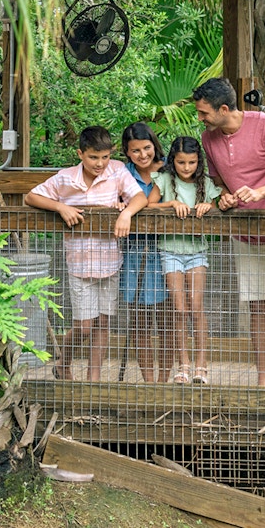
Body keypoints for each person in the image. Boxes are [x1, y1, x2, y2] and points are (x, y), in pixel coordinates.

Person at [24, 126, 147, 382]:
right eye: (93, 157)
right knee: (84, 325)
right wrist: (60, 207)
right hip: (79, 263)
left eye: (104, 157)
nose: (99, 163)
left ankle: (94, 379)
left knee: (103, 322)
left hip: (110, 261)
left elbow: (139, 198)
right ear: (81, 154)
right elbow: (31, 196)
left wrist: (125, 213)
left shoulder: (117, 171)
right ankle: (63, 362)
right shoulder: (65, 178)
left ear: (111, 153)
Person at [193, 77, 265, 387]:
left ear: (224, 109)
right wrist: (223, 194)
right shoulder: (208, 138)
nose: (201, 118)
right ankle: (264, 381)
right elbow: (220, 180)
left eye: (204, 113)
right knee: (257, 306)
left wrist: (262, 193)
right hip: (244, 232)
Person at [147, 136, 222, 384]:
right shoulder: (165, 180)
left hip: (197, 251)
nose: (186, 168)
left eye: (191, 162)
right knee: (179, 308)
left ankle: (202, 365)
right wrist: (171, 203)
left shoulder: (206, 183)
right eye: (181, 162)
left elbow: (215, 204)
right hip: (169, 250)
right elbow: (149, 205)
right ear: (173, 161)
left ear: (198, 161)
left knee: (196, 306)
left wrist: (206, 207)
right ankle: (184, 365)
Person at [120, 122, 174, 383]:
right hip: (134, 251)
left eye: (146, 148)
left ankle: (164, 380)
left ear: (154, 145)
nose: (143, 155)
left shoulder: (170, 168)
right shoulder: (122, 173)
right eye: (135, 150)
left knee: (167, 320)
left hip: (166, 249)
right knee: (140, 321)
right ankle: (148, 382)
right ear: (127, 153)